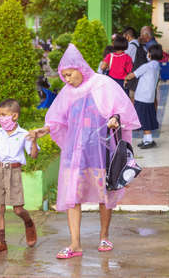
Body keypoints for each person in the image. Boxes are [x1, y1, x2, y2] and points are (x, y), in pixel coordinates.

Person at [30, 44, 140, 258]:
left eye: (69, 75)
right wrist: (45, 129)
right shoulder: (67, 92)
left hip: (101, 151)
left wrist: (115, 119)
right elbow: (57, 119)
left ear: (79, 68)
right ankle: (75, 244)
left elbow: (120, 110)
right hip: (75, 153)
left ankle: (104, 236)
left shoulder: (102, 84)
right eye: (64, 77)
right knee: (72, 196)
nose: (67, 80)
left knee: (104, 194)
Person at [0, 99, 39, 256]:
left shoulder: (24, 135)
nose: (1, 118)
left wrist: (34, 140)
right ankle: (1, 243)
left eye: (4, 115)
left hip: (14, 173)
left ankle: (28, 223)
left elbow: (33, 155)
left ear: (14, 116)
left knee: (18, 209)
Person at [125, 44, 163, 149]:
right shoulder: (156, 66)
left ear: (151, 54)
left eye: (148, 52)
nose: (147, 54)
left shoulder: (147, 66)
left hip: (142, 97)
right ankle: (147, 139)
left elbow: (133, 75)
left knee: (143, 119)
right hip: (150, 97)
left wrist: (125, 78)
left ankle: (148, 141)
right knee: (148, 118)